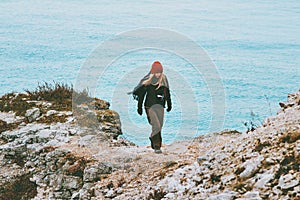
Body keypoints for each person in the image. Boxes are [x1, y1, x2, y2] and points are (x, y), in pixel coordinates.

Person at [129, 61, 172, 153]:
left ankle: (154, 140)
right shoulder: (148, 81)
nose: (158, 74)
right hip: (149, 106)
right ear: (153, 72)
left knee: (159, 126)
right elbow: (142, 95)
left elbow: (167, 93)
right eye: (156, 72)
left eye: (160, 72)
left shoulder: (164, 79)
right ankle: (157, 147)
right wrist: (139, 108)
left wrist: (169, 104)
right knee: (156, 125)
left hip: (160, 107)